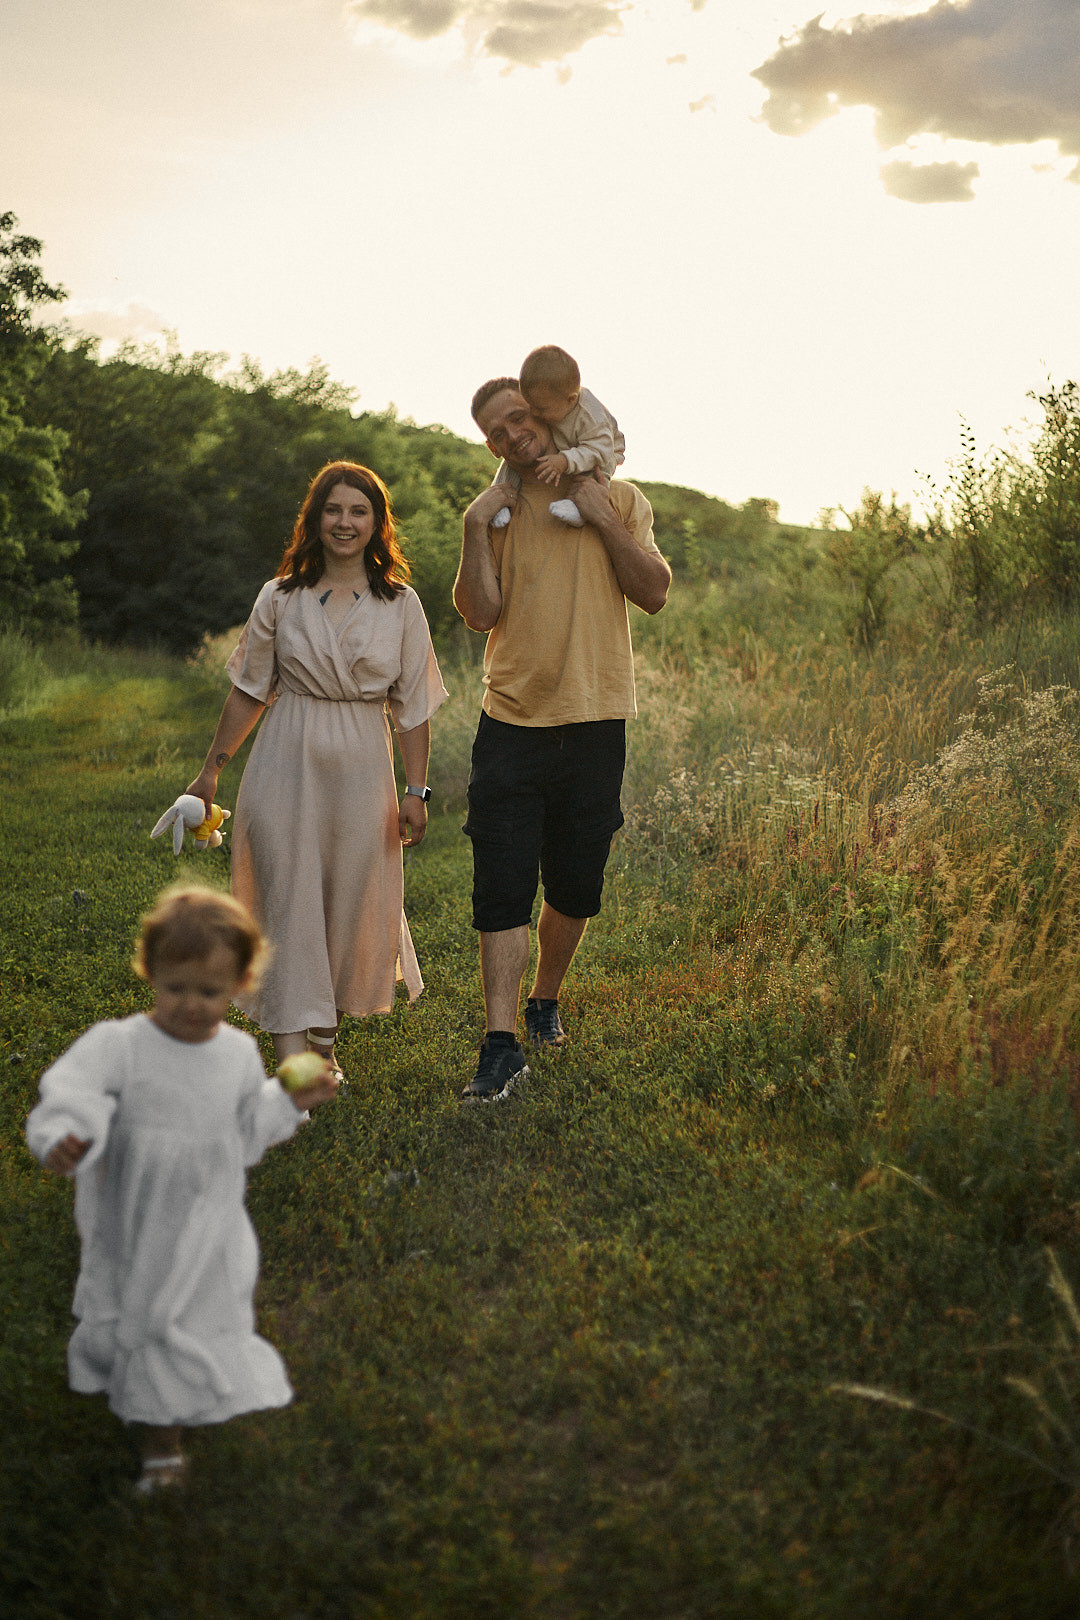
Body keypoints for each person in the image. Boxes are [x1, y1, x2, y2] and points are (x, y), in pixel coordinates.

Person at [25, 885, 339, 1494]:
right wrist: (66, 1134)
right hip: (135, 1210)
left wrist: (287, 1100)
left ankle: (162, 1445)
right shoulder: (122, 1044)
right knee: (136, 1302)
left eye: (210, 992)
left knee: (189, 1309)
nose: (191, 1006)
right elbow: (73, 1091)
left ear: (240, 985)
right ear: (151, 973)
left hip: (207, 1220)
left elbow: (247, 1133)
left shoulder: (239, 1055)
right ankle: (149, 1406)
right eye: (176, 988)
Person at [184, 461, 448, 1079]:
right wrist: (211, 771)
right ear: (315, 519)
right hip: (285, 756)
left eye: (359, 511)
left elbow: (412, 708)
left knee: (349, 899)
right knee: (283, 895)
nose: (345, 522)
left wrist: (416, 790)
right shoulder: (280, 596)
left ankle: (324, 1045)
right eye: (334, 510)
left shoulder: (401, 605)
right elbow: (250, 690)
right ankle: (294, 1061)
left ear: (377, 524)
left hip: (362, 765)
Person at [453, 378, 671, 1101]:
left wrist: (604, 515)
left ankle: (545, 997)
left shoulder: (624, 498)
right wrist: (474, 527)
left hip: (595, 719)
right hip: (511, 721)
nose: (511, 435)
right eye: (495, 431)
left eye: (518, 417)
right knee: (502, 886)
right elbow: (479, 614)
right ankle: (500, 1040)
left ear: (545, 415)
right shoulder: (502, 510)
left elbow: (654, 589)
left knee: (576, 885)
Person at [490, 344, 625, 530]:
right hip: (565, 444)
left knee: (597, 474)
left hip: (600, 452)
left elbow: (600, 451)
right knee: (515, 459)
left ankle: (578, 510)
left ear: (570, 400)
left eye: (541, 409)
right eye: (530, 406)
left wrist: (565, 460)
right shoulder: (554, 401)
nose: (535, 413)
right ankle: (499, 499)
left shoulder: (592, 417)